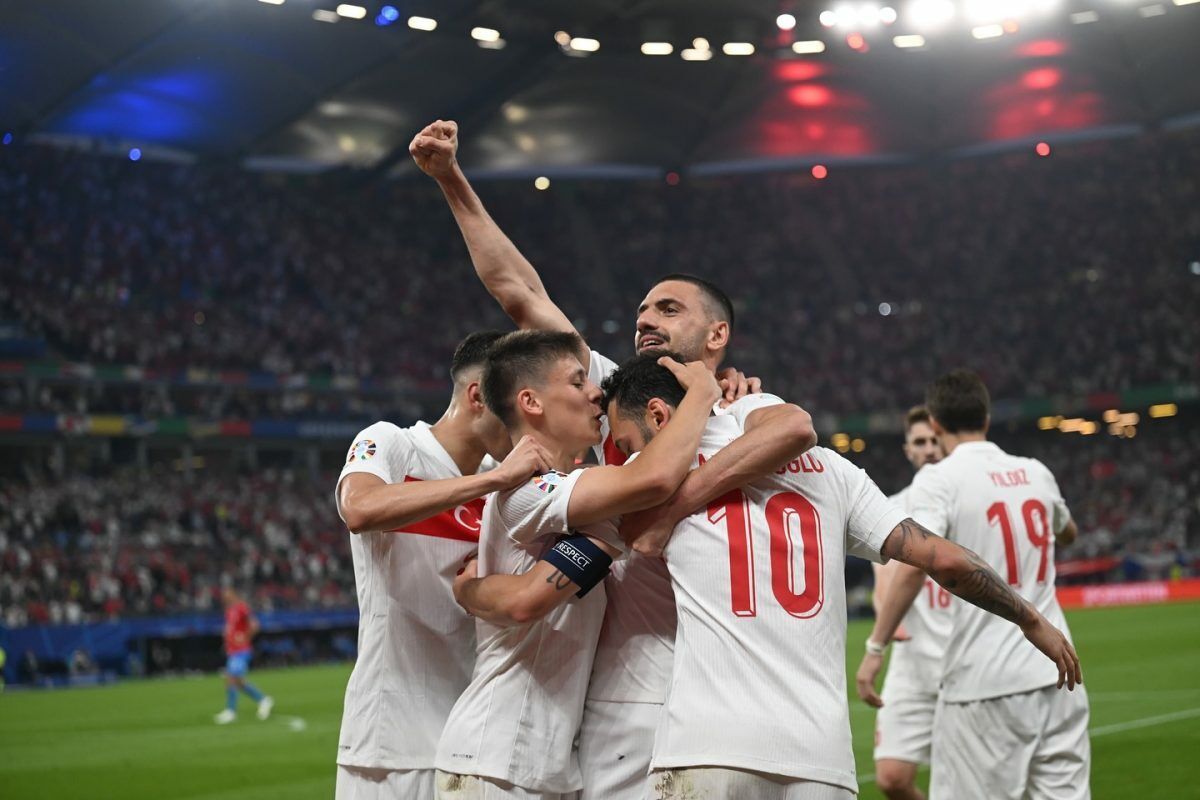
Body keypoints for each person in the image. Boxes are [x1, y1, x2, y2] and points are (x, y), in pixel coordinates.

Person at [411, 119, 805, 800]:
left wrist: (717, 414)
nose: (645, 319)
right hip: (615, 700)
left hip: (715, 690)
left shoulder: (747, 419)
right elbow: (518, 291)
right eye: (642, 310)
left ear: (717, 334)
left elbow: (796, 434)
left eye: (668, 310)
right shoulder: (601, 394)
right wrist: (451, 179)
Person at [603, 356, 1083, 800]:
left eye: (625, 443)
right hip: (821, 761)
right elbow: (946, 560)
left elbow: (618, 531)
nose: (628, 453)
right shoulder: (833, 468)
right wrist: (1029, 618)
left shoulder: (652, 477)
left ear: (659, 416)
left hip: (705, 750)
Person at [434, 330, 720, 800]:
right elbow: (654, 477)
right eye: (576, 382)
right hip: (496, 755)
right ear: (531, 402)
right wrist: (703, 395)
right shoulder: (527, 489)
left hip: (544, 761)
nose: (594, 393)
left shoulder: (573, 490)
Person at [334, 331, 555, 800]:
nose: (522, 426)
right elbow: (359, 508)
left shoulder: (505, 484)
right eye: (510, 406)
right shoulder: (392, 443)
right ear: (478, 396)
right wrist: (491, 481)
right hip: (391, 744)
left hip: (471, 743)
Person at [857, 370, 1090, 800]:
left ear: (936, 424)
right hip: (1058, 670)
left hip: (984, 680)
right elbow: (1068, 531)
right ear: (986, 417)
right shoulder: (1036, 472)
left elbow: (914, 567)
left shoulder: (939, 480)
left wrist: (875, 647)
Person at [871, 407, 949, 800]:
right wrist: (886, 625)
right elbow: (882, 582)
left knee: (967, 779)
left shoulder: (964, 499)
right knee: (892, 778)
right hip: (912, 664)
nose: (929, 448)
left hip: (962, 658)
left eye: (935, 440)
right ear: (908, 450)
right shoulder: (891, 509)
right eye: (920, 442)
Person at [213, 586, 273, 724]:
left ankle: (231, 711)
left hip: (241, 650)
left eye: (228, 595)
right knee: (238, 682)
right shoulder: (229, 611)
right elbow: (231, 629)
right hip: (233, 650)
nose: (225, 598)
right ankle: (263, 700)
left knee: (231, 678)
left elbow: (255, 625)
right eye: (224, 596)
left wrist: (245, 638)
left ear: (234, 594)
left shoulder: (242, 608)